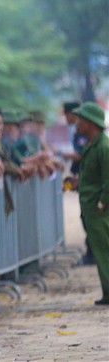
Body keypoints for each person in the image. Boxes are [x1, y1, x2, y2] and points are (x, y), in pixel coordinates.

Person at [72, 102, 109, 305]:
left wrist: (103, 202)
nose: (77, 123)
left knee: (104, 250)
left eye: (80, 120)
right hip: (90, 204)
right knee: (101, 250)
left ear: (90, 123)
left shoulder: (103, 146)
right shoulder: (92, 145)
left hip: (98, 207)